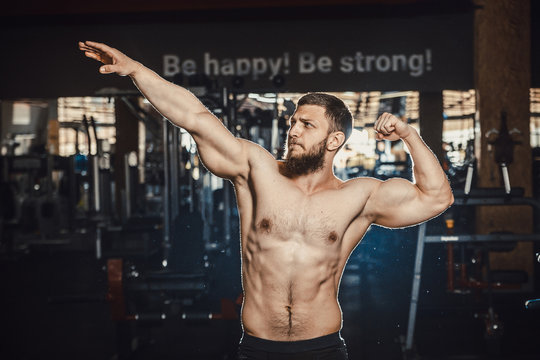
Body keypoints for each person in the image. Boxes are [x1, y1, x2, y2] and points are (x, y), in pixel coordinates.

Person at [79, 41, 454, 360]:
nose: (293, 130)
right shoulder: (257, 170)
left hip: (322, 348)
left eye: (307, 125)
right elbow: (195, 116)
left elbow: (436, 197)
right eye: (293, 122)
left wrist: (408, 134)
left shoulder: (359, 195)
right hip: (258, 347)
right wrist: (135, 70)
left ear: (335, 140)